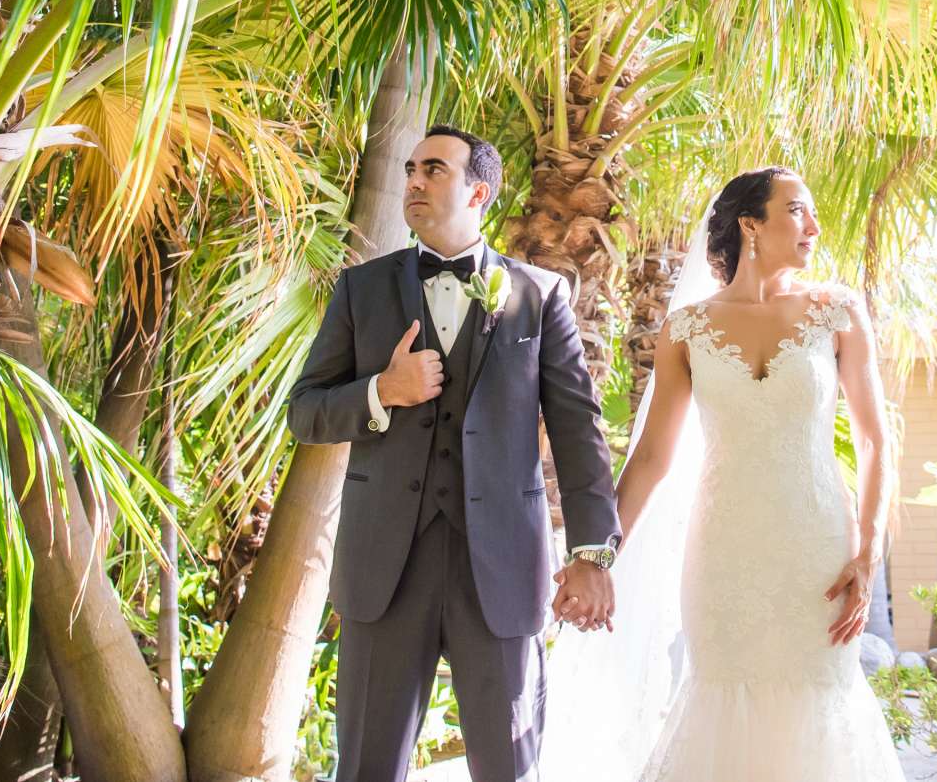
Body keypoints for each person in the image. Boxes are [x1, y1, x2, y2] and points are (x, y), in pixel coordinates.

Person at [541, 164, 904, 782]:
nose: (814, 226)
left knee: (820, 700)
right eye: (796, 210)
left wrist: (868, 554)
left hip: (817, 552)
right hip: (723, 555)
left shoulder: (839, 312)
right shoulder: (687, 329)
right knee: (721, 696)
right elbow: (652, 459)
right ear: (750, 226)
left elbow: (875, 442)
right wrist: (595, 557)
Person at [287, 124, 621, 782]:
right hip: (385, 569)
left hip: (499, 571)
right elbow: (306, 411)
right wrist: (382, 390)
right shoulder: (362, 290)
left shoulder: (541, 295)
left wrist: (591, 553)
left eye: (433, 169)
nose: (413, 180)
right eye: (410, 168)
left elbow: (580, 431)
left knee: (509, 768)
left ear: (479, 193)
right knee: (365, 769)